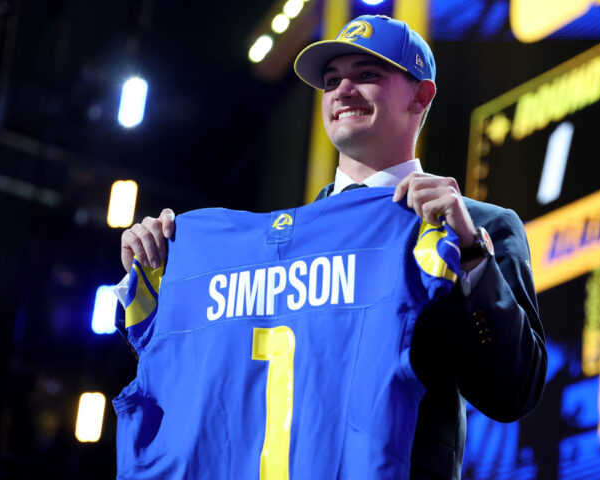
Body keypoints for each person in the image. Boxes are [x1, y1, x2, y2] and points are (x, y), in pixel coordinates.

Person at [116, 15, 546, 479]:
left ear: (420, 96)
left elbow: (513, 392)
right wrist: (168, 280)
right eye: (332, 80)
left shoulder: (478, 227)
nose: (343, 91)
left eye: (367, 75)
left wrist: (470, 254)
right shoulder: (275, 243)